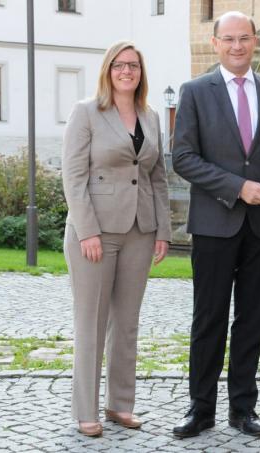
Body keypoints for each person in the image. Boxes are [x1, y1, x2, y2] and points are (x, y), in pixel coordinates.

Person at [170, 11, 260, 438]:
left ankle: (243, 409)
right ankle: (200, 408)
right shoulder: (194, 92)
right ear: (215, 42)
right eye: (229, 39)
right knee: (209, 318)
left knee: (252, 321)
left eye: (244, 38)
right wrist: (237, 186)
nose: (237, 46)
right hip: (213, 223)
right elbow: (183, 157)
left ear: (255, 41)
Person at [61, 40, 171, 437]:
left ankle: (120, 405)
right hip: (95, 233)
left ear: (141, 73)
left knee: (126, 323)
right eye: (120, 66)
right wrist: (86, 229)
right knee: (91, 322)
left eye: (134, 66)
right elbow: (72, 177)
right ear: (108, 70)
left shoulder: (152, 115)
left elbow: (157, 176)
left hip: (140, 230)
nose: (127, 72)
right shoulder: (86, 112)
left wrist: (162, 230)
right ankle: (85, 410)